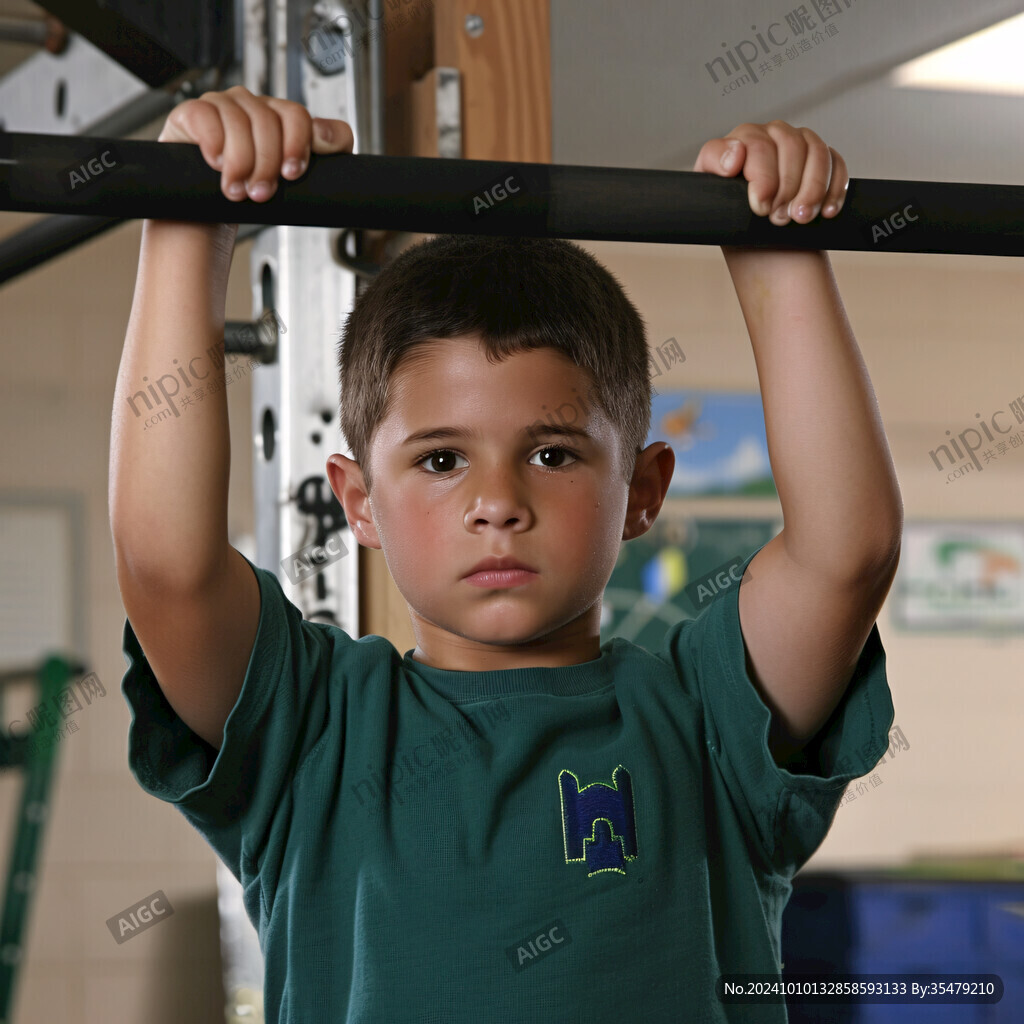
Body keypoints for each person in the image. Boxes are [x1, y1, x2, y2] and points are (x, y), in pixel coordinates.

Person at [109, 86, 902, 1022]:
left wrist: (780, 253)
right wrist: (185, 227)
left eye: (552, 453)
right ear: (358, 501)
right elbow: (166, 562)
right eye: (442, 460)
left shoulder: (707, 719)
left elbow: (845, 551)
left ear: (643, 490)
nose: (497, 503)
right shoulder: (314, 728)